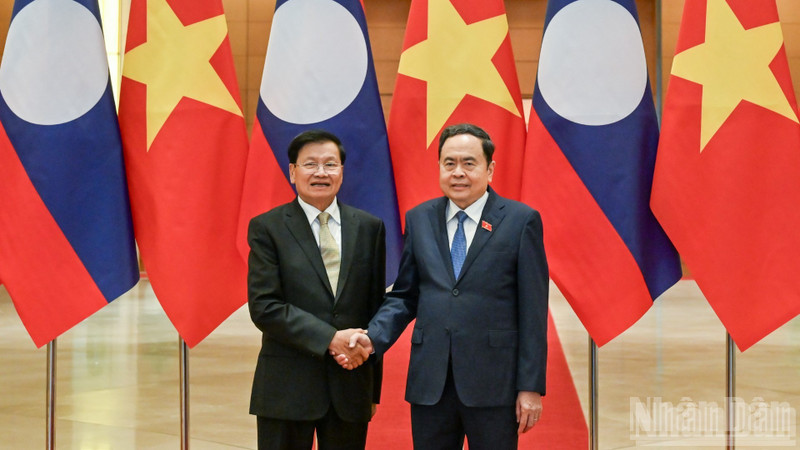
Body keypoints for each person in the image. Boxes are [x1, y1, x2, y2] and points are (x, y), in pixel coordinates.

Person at [342, 123, 549, 450]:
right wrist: (373, 337)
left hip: (494, 383)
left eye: (469, 163)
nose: (458, 173)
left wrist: (530, 387)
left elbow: (533, 311)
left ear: (489, 168)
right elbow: (405, 297)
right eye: (449, 163)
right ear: (439, 167)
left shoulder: (520, 221)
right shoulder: (420, 218)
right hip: (431, 382)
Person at [247, 129, 385, 450]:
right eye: (310, 164)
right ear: (293, 172)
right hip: (286, 387)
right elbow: (265, 307)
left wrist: (371, 390)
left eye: (330, 164)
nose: (321, 173)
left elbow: (374, 310)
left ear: (342, 171)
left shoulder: (369, 228)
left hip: (350, 386)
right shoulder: (268, 228)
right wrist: (330, 338)